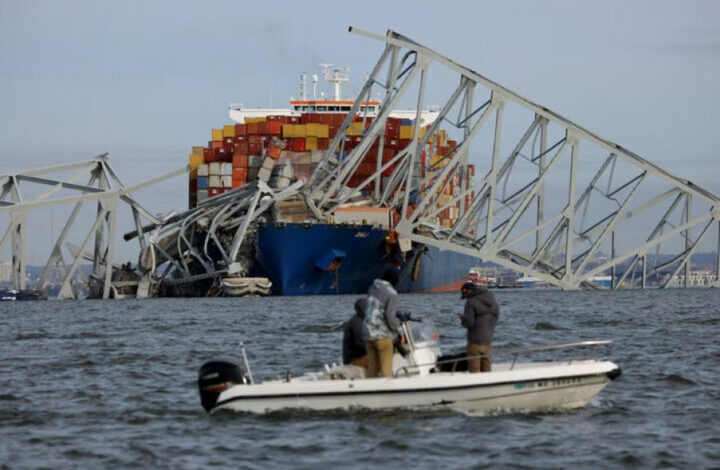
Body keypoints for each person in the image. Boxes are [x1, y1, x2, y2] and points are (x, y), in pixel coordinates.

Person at [364, 268, 401, 378]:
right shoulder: (391, 293)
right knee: (386, 371)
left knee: (372, 371)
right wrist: (398, 328)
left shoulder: (372, 288)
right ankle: (388, 393)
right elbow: (390, 318)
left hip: (368, 335)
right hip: (382, 336)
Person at [459, 281, 499, 372]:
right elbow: (496, 317)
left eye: (464, 295)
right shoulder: (491, 299)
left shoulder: (470, 302)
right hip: (488, 340)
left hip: (474, 342)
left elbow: (469, 323)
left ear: (467, 291)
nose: (465, 298)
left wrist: (463, 320)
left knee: (474, 371)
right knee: (486, 370)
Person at [342, 298, 368, 369]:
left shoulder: (356, 320)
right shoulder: (358, 324)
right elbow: (359, 346)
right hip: (354, 360)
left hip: (350, 359)